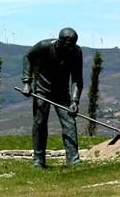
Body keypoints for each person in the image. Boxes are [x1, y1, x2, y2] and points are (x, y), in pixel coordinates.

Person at [21, 27, 83, 168]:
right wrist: (26, 82)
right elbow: (27, 57)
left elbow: (77, 79)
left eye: (72, 45)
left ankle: (73, 159)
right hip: (42, 90)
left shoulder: (76, 52)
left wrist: (74, 101)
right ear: (60, 42)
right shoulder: (44, 46)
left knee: (69, 122)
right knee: (39, 123)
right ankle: (38, 160)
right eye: (67, 45)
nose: (70, 49)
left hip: (62, 92)